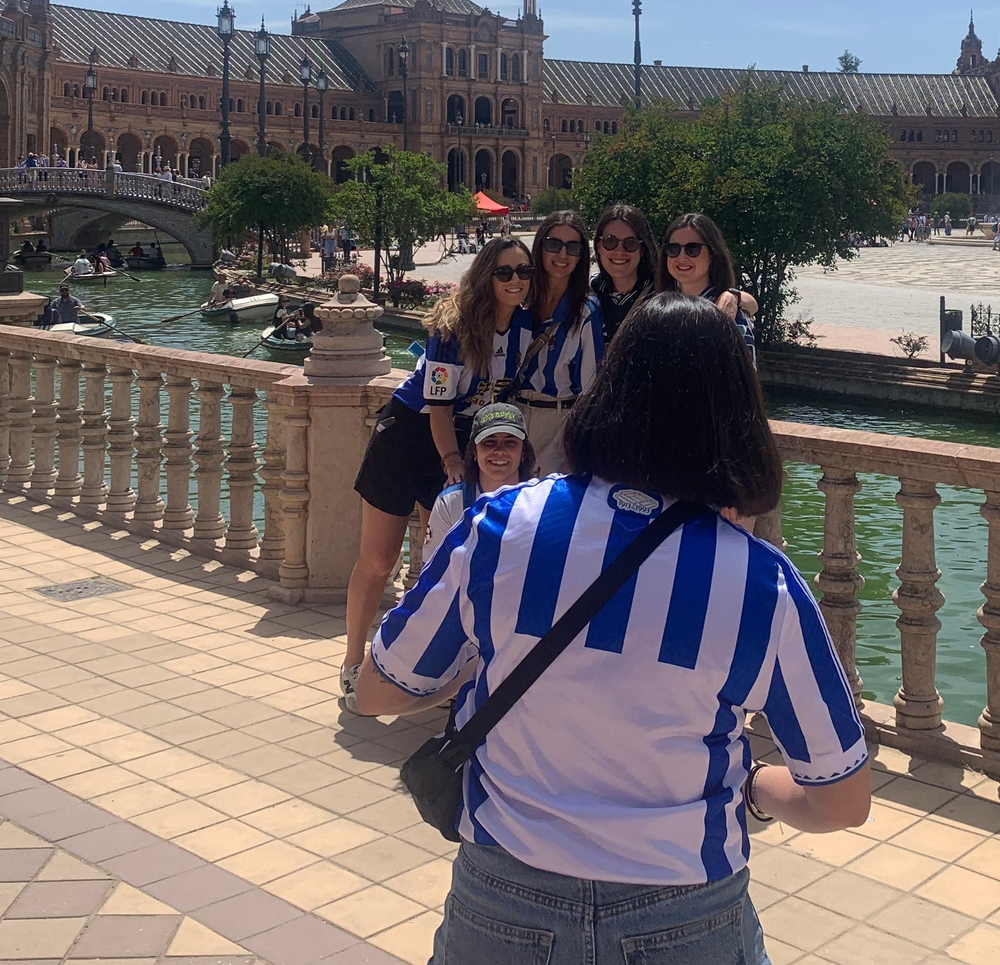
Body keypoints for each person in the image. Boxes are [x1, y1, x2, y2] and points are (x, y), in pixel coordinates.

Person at [354, 293, 870, 963]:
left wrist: (498, 653)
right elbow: (842, 801)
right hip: (686, 911)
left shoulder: (502, 525)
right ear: (738, 419)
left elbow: (378, 692)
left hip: (505, 898)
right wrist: (755, 791)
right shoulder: (760, 581)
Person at [339, 237, 536, 711]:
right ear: (485, 276)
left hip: (458, 440)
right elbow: (439, 407)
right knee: (378, 559)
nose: (515, 281)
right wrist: (451, 463)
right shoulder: (453, 328)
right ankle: (353, 663)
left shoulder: (529, 325)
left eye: (524, 272)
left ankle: (422, 667)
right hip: (411, 436)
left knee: (440, 565)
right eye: (504, 272)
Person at [513, 215, 602, 472]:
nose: (562, 254)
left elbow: (591, 387)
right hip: (513, 415)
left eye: (573, 248)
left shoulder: (585, 312)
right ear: (539, 246)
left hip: (557, 420)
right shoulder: (520, 299)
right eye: (553, 244)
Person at [422, 402, 535, 554]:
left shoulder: (541, 502)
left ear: (523, 453)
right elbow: (432, 571)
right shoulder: (450, 504)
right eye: (489, 442)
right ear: (474, 451)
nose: (500, 450)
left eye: (510, 442)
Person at [658, 213, 757, 363]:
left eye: (692, 249)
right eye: (673, 249)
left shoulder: (729, 314)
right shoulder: (659, 310)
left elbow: (741, 381)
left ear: (712, 255)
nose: (682, 257)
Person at [589, 202, 659, 348]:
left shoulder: (661, 296)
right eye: (610, 241)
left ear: (642, 249)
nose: (620, 251)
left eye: (630, 243)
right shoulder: (587, 292)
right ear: (599, 247)